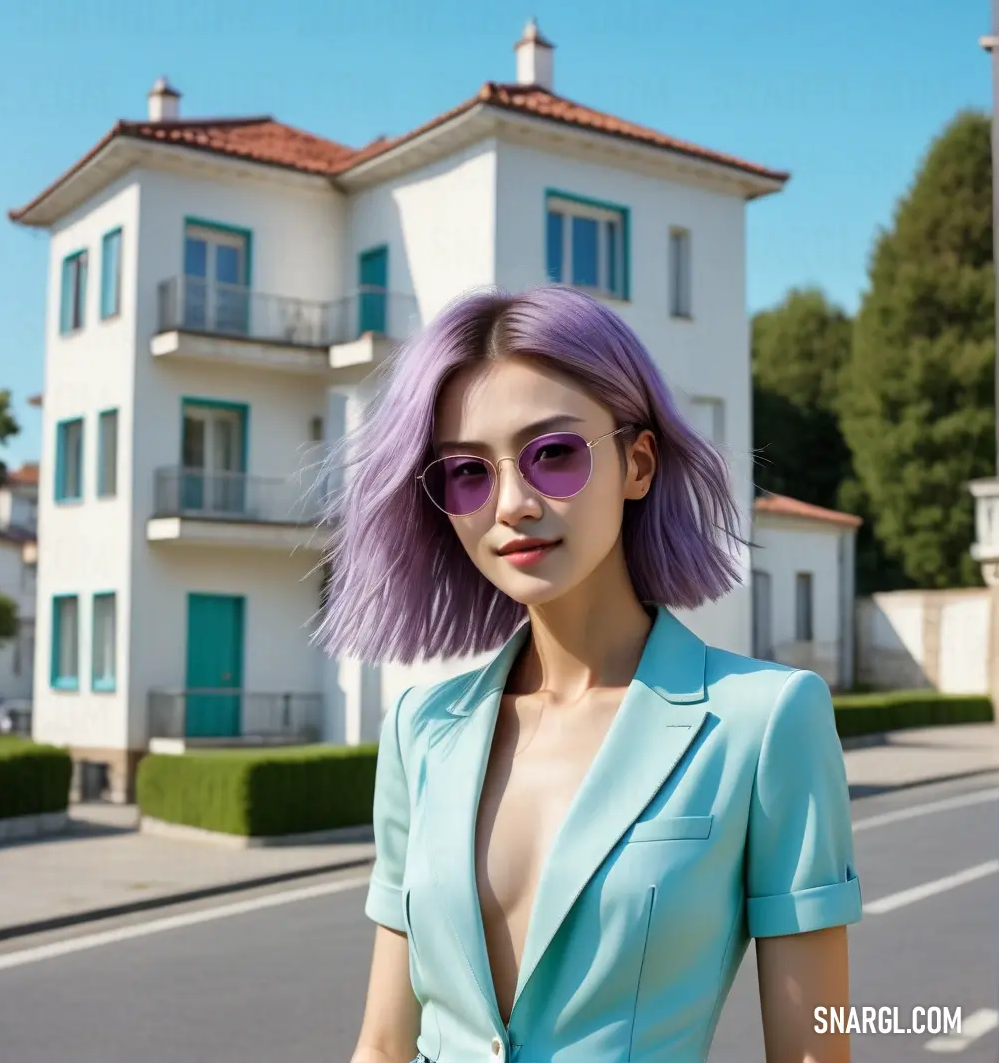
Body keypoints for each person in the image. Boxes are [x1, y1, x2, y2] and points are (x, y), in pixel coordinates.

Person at [313, 285, 862, 1063]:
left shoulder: (766, 721)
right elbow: (381, 1042)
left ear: (638, 464)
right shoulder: (421, 730)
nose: (511, 504)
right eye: (467, 471)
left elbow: (812, 1051)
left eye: (555, 454)